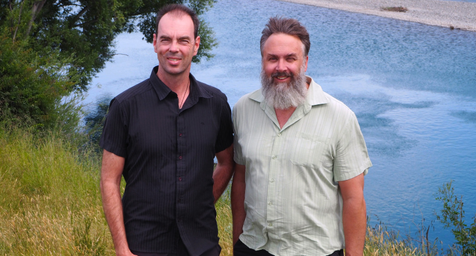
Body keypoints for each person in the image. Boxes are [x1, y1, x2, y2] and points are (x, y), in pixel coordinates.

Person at [99, 4, 234, 256]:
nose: (174, 48)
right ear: (154, 43)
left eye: (183, 40)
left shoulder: (216, 103)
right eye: (166, 39)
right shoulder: (125, 106)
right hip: (144, 245)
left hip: (202, 245)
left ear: (195, 45)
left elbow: (226, 163)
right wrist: (122, 249)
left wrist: (199, 205)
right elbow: (109, 180)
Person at [231, 17, 372, 256]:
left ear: (305, 62)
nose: (281, 67)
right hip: (253, 247)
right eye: (272, 58)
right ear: (262, 61)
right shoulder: (244, 109)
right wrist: (237, 244)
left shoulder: (340, 117)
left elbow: (353, 199)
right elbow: (241, 180)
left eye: (290, 58)